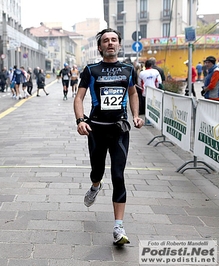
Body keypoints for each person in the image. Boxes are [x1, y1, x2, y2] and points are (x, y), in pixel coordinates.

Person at [74, 28, 144, 246]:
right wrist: (80, 120)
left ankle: (118, 227)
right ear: (100, 47)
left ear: (119, 45)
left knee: (118, 174)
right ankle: (95, 186)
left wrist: (136, 115)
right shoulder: (91, 70)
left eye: (114, 40)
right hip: (96, 129)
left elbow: (132, 93)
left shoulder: (127, 69)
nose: (110, 43)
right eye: (106, 40)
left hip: (119, 130)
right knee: (97, 171)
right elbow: (79, 97)